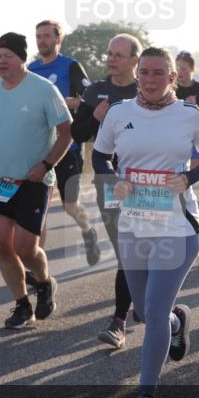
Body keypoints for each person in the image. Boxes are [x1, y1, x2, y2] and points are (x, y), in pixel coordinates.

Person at [92, 46, 199, 398]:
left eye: (157, 73)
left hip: (177, 228)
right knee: (148, 313)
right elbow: (100, 156)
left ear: (172, 77)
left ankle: (146, 396)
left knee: (156, 310)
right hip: (133, 225)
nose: (149, 80)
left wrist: (188, 178)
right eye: (144, 73)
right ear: (138, 76)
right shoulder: (119, 113)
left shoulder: (189, 115)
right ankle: (178, 322)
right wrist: (112, 180)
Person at [0, 32, 72, 329]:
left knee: (26, 247)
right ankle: (22, 305)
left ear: (22, 58)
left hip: (33, 181)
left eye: (7, 56)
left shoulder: (43, 89)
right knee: (1, 243)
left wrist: (47, 163)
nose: (1, 62)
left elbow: (66, 132)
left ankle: (45, 282)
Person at [71, 34, 141, 348]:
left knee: (142, 249)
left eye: (119, 55)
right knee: (126, 249)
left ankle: (126, 314)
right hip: (108, 180)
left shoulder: (147, 90)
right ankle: (124, 315)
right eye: (109, 53)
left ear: (134, 61)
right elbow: (77, 132)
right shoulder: (96, 90)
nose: (111, 59)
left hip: (148, 181)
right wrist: (94, 117)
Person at [27, 20, 100, 265]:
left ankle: (88, 231)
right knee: (39, 209)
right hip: (39, 147)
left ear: (59, 40)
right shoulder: (31, 69)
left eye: (47, 36)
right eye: (38, 36)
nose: (42, 41)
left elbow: (88, 99)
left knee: (70, 205)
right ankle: (38, 267)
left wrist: (68, 104)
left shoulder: (71, 66)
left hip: (69, 146)